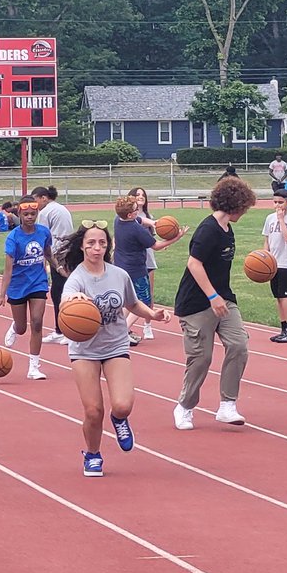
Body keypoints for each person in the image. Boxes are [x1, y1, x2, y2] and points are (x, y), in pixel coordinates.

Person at [60, 219, 172, 477]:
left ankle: (119, 419)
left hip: (115, 345)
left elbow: (132, 304)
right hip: (84, 350)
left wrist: (152, 314)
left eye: (102, 243)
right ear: (82, 247)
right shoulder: (76, 279)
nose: (97, 248)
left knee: (122, 405)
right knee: (93, 411)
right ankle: (92, 454)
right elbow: (67, 301)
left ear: (108, 246)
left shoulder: (119, 274)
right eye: (91, 243)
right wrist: (73, 300)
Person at [172, 176, 257, 430]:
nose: (246, 211)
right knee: (201, 358)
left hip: (224, 299)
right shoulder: (208, 229)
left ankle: (227, 405)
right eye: (245, 206)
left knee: (239, 345)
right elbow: (193, 263)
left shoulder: (227, 229)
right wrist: (212, 296)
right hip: (196, 303)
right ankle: (185, 406)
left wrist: (220, 297)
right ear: (236, 204)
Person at [112, 191, 185, 346]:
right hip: (136, 270)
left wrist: (153, 223)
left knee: (128, 300)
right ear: (130, 214)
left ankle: (117, 328)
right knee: (143, 302)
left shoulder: (118, 220)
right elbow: (156, 246)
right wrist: (176, 237)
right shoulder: (136, 229)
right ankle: (123, 331)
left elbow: (140, 219)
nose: (137, 211)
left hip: (120, 267)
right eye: (135, 209)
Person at [0, 197, 56, 380]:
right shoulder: (13, 238)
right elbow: (8, 270)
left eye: (33, 214)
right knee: (22, 327)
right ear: (20, 214)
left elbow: (48, 254)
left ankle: (34, 367)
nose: (30, 217)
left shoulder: (44, 232)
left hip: (38, 282)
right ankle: (15, 326)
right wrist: (1, 295)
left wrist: (59, 268)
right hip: (18, 285)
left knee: (37, 322)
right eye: (26, 214)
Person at [35, 185, 74, 345]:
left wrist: (43, 260)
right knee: (61, 291)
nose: (34, 205)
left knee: (60, 293)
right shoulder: (60, 208)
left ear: (44, 198)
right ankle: (60, 330)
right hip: (67, 251)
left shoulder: (45, 212)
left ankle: (66, 331)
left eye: (36, 200)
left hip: (58, 255)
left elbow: (42, 237)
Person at [262, 186, 287, 342]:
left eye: (281, 202)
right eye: (275, 202)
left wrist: (281, 220)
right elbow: (267, 239)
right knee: (278, 297)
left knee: (286, 297)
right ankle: (284, 328)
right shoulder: (269, 218)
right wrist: (265, 257)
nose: (277, 205)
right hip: (274, 264)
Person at [132, 187, 161, 340]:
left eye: (143, 195)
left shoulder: (149, 216)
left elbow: (153, 239)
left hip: (148, 259)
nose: (141, 197)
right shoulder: (128, 216)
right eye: (137, 194)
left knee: (148, 293)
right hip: (134, 261)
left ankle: (147, 325)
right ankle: (124, 326)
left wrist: (163, 243)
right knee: (132, 295)